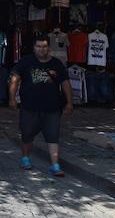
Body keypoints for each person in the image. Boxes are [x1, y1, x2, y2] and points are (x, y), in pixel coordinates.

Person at [10, 35, 74, 177]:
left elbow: (65, 83)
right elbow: (15, 79)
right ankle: (25, 158)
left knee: (53, 136)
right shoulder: (26, 61)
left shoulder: (56, 64)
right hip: (29, 107)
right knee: (27, 135)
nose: (42, 49)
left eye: (44, 46)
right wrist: (12, 98)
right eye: (39, 46)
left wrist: (69, 103)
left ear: (49, 48)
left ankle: (55, 165)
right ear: (34, 48)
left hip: (52, 108)